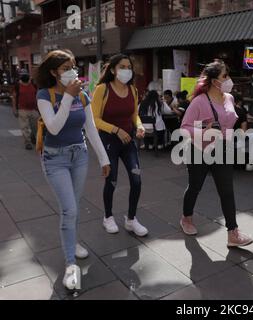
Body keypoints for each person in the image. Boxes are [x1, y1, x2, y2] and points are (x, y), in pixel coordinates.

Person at [35, 50, 111, 290]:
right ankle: (70, 266)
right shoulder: (44, 95)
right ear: (53, 72)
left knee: (75, 208)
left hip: (79, 155)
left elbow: (90, 129)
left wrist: (104, 159)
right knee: (69, 210)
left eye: (73, 66)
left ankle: (73, 241)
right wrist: (68, 96)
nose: (72, 72)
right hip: (55, 159)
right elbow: (54, 128)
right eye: (66, 67)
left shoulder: (83, 95)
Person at [180, 60, 253, 247]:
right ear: (214, 81)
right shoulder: (199, 101)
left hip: (222, 150)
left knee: (227, 191)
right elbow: (184, 128)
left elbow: (230, 124)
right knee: (195, 187)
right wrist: (204, 132)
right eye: (225, 76)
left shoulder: (229, 98)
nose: (229, 79)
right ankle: (186, 218)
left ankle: (233, 233)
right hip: (199, 150)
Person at [91, 53, 148, 237]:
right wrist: (116, 130)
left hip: (128, 142)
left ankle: (131, 219)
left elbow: (134, 115)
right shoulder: (102, 89)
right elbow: (94, 120)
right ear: (114, 69)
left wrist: (139, 126)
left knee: (137, 180)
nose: (126, 70)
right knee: (112, 181)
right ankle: (108, 217)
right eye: (122, 67)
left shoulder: (133, 90)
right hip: (109, 142)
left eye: (129, 67)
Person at [12, 70, 39, 150]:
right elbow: (14, 98)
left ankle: (34, 137)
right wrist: (14, 109)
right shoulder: (17, 86)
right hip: (22, 109)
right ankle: (27, 142)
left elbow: (37, 95)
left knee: (36, 126)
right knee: (24, 127)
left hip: (34, 109)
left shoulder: (34, 84)